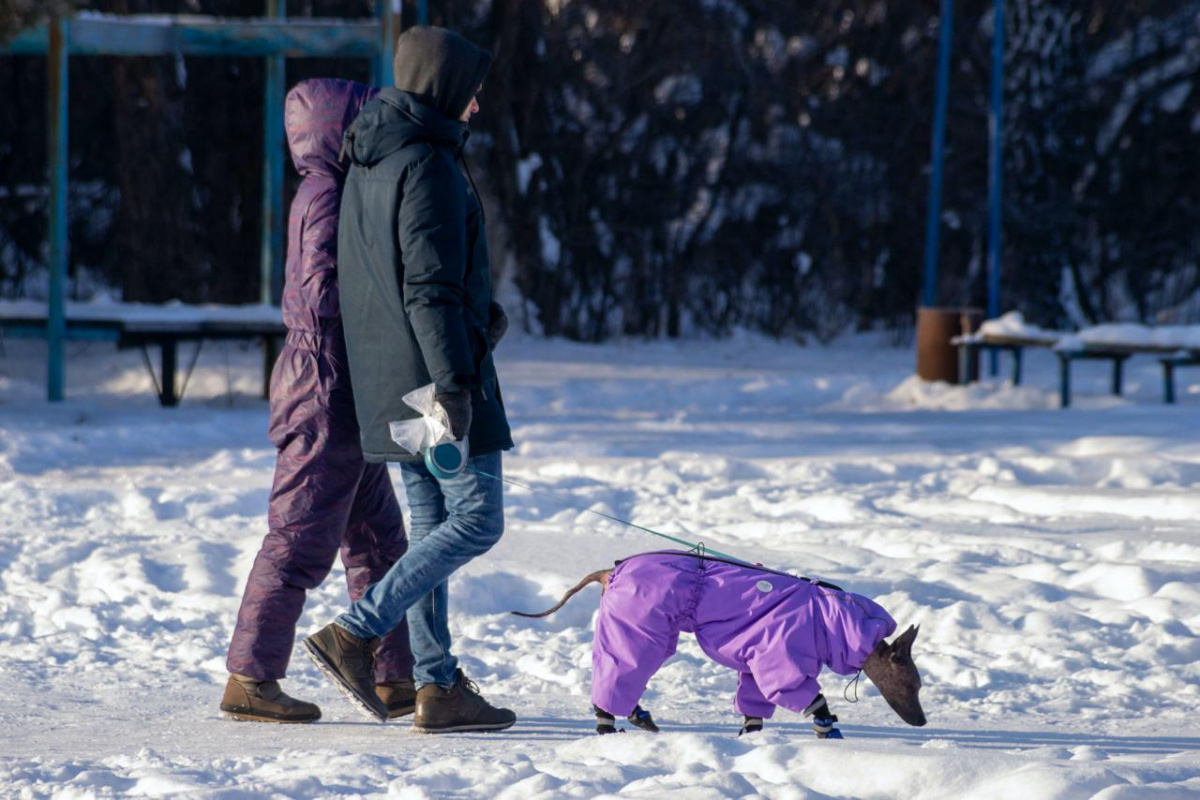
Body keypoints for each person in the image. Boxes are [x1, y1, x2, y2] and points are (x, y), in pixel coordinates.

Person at [301, 27, 515, 734]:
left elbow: (392, 281)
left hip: (394, 376)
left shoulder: (373, 155)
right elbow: (427, 288)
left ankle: (438, 686)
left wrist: (478, 321)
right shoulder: (426, 163)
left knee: (430, 526)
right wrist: (455, 379)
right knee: (477, 519)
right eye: (471, 91)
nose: (477, 105)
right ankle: (355, 631)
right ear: (444, 86)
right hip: (434, 383)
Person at [221, 79, 415, 724]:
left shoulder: (334, 189)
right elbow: (326, 295)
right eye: (365, 124)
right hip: (325, 386)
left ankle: (393, 674)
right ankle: (251, 677)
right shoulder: (327, 195)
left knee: (379, 541)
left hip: (344, 385)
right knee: (299, 537)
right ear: (341, 133)